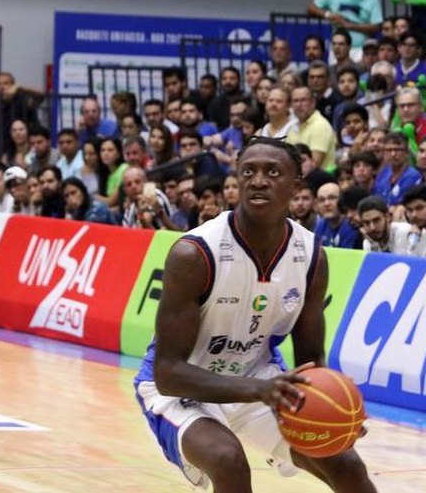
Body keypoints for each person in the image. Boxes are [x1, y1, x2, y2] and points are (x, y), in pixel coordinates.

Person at [134, 137, 376, 493]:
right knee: (227, 460)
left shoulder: (310, 255)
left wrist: (338, 411)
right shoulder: (194, 254)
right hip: (181, 388)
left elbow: (311, 359)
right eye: (248, 171)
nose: (258, 180)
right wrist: (260, 390)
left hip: (260, 379)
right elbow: (169, 372)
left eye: (272, 172)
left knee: (348, 465)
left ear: (295, 186)